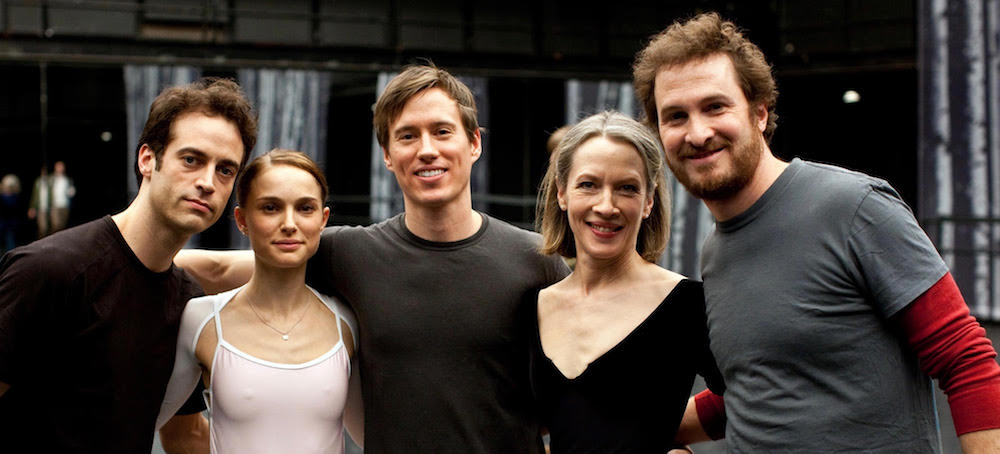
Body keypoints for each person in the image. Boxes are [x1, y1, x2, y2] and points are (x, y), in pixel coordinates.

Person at [633, 12, 1000, 452]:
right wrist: (617, 427)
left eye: (715, 106)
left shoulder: (853, 206)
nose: (698, 132)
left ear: (759, 112)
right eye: (675, 116)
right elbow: (755, 390)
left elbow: (967, 361)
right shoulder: (716, 252)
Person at [175, 64, 569, 453]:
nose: (427, 149)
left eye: (442, 131)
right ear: (387, 155)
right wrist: (136, 262)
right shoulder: (348, 253)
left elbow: (574, 403)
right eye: (407, 136)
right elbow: (223, 267)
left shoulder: (535, 260)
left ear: (474, 144)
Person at [0, 77, 257, 452]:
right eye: (191, 159)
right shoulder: (50, 270)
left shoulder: (187, 300)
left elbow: (186, 435)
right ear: (147, 159)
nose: (207, 182)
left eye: (225, 170)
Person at [530, 111, 724, 453]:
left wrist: (672, 441)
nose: (606, 206)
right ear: (562, 194)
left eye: (627, 188)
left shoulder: (689, 305)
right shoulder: (535, 305)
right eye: (588, 184)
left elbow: (756, 397)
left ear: (649, 201)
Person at [157, 149, 363, 453]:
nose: (289, 223)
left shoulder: (346, 321)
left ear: (323, 219)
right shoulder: (201, 319)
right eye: (270, 208)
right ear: (242, 219)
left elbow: (372, 435)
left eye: (305, 208)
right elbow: (146, 423)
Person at [48, 160, 76, 234]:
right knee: (56, 225)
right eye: (59, 166)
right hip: (55, 205)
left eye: (62, 166)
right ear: (55, 167)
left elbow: (70, 191)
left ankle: (59, 243)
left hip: (65, 205)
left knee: (62, 226)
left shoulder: (67, 179)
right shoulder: (51, 179)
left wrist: (71, 192)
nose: (60, 168)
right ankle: (53, 241)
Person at [26, 165, 49, 238]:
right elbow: (34, 195)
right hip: (40, 208)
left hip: (50, 208)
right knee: (43, 228)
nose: (44, 173)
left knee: (51, 228)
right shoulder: (38, 181)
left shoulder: (51, 181)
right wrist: (32, 207)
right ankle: (41, 243)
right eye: (43, 171)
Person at [0, 174, 21, 253]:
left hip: (11, 224)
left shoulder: (14, 197)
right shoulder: (2, 196)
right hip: (3, 223)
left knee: (10, 243)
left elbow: (12, 208)